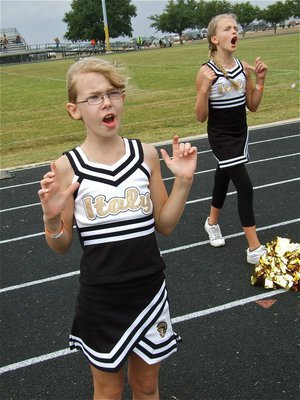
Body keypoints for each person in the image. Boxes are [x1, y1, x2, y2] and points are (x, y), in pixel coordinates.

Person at [38, 57, 197, 399]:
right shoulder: (66, 168)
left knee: (147, 385)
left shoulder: (146, 155)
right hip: (102, 298)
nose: (106, 102)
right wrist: (52, 220)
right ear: (74, 110)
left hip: (149, 293)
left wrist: (183, 183)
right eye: (93, 97)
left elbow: (165, 225)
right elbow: (62, 244)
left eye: (113, 93)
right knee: (108, 391)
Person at [194, 13, 268, 264]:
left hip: (240, 132)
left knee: (223, 175)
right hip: (220, 135)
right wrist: (204, 90)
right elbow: (200, 116)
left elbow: (252, 106)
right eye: (227, 29)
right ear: (215, 38)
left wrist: (259, 81)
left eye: (235, 28)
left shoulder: (243, 68)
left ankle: (211, 222)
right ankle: (254, 248)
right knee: (245, 187)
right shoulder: (206, 72)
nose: (234, 32)